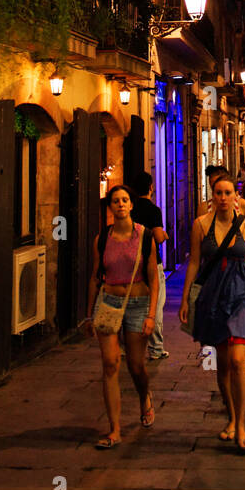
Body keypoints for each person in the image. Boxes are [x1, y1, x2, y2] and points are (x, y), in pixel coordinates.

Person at [180, 172, 245, 452]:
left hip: (244, 295)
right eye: (218, 193)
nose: (222, 198)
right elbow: (194, 263)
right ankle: (231, 417)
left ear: (236, 197)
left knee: (237, 360)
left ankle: (241, 424)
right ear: (213, 195)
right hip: (213, 296)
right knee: (222, 361)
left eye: (228, 193)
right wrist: (185, 300)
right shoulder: (200, 225)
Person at [84, 184, 159, 449]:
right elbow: (96, 276)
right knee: (110, 364)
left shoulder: (145, 236)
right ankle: (114, 429)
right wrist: (89, 313)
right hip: (108, 302)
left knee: (136, 365)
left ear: (131, 205)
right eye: (115, 201)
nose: (120, 204)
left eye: (125, 200)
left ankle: (144, 397)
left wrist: (151, 315)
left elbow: (153, 277)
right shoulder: (101, 239)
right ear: (110, 207)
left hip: (137, 302)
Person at [130, 172, 169, 361]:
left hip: (131, 263)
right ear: (151, 187)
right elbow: (159, 237)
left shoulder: (130, 209)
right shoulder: (153, 210)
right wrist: (165, 235)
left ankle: (125, 346)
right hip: (152, 263)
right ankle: (156, 349)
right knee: (156, 304)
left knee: (131, 305)